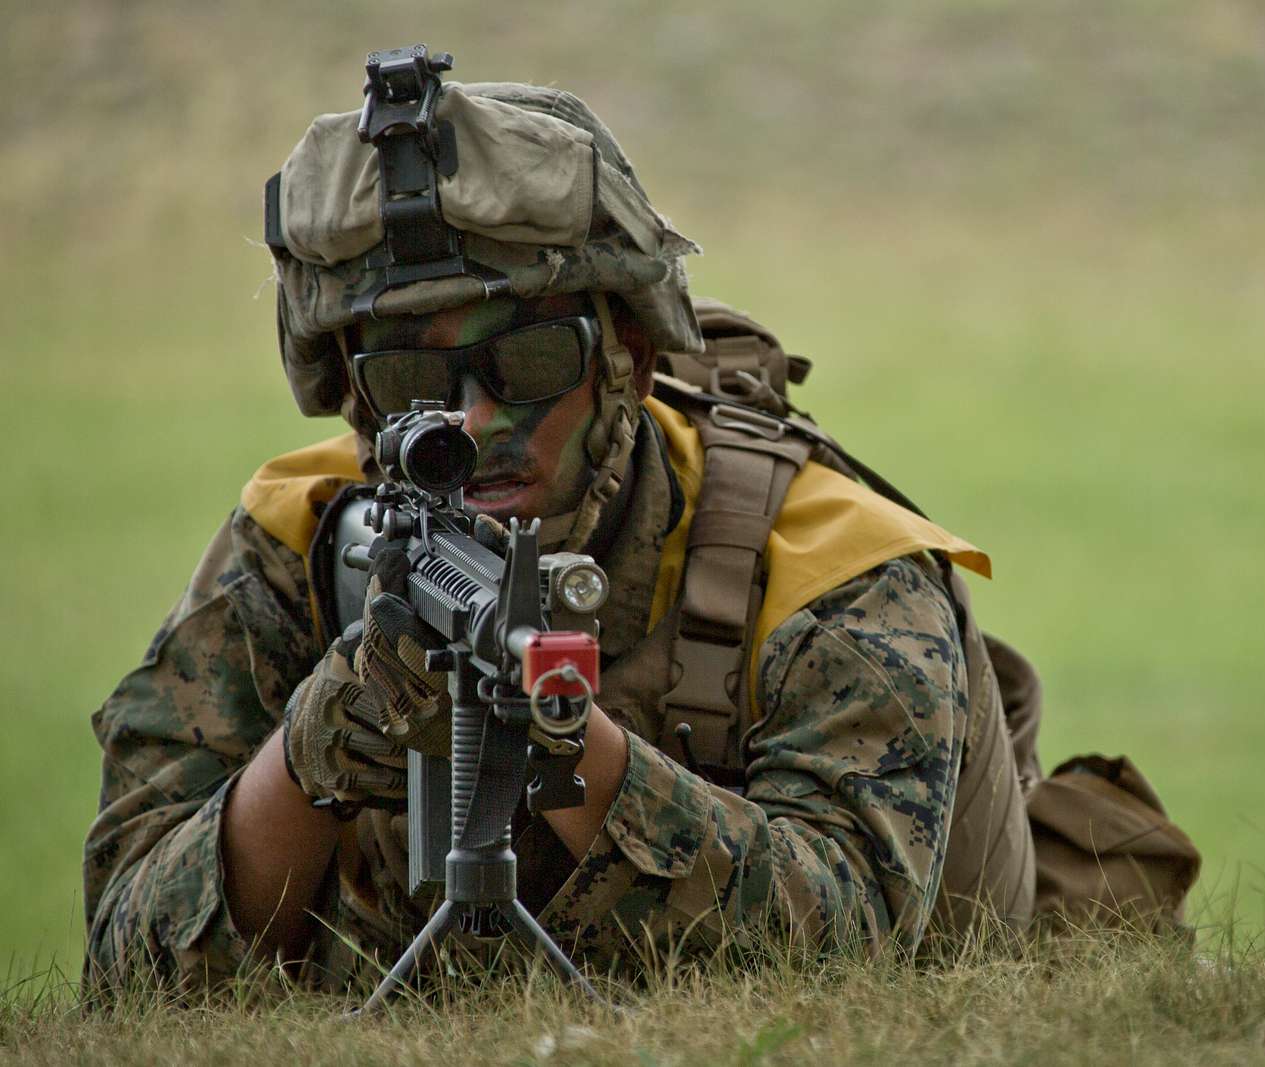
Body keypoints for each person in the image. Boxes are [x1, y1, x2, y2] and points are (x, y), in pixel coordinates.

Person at [84, 62, 1196, 996]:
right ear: (358, 395)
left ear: (631, 357)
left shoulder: (831, 564)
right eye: (416, 377)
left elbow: (859, 965)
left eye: (526, 362)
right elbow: (125, 975)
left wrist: (575, 740)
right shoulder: (301, 538)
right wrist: (317, 749)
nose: (475, 424)